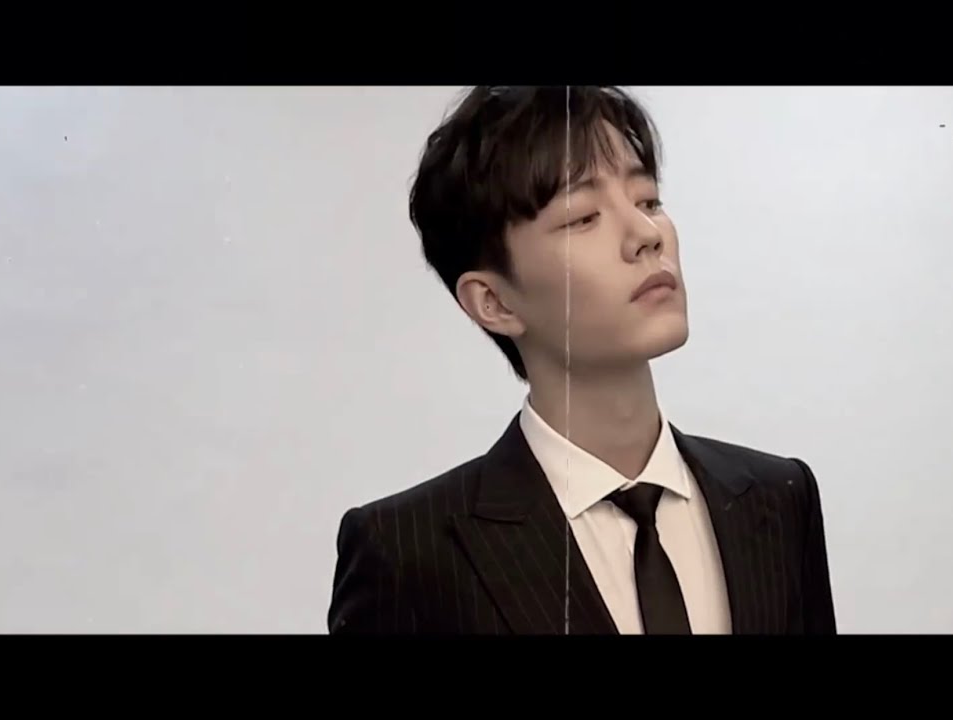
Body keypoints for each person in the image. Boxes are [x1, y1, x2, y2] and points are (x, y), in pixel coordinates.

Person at [327, 86, 835, 634]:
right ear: (494, 301)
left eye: (648, 200)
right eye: (583, 217)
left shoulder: (778, 500)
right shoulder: (408, 553)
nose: (646, 235)